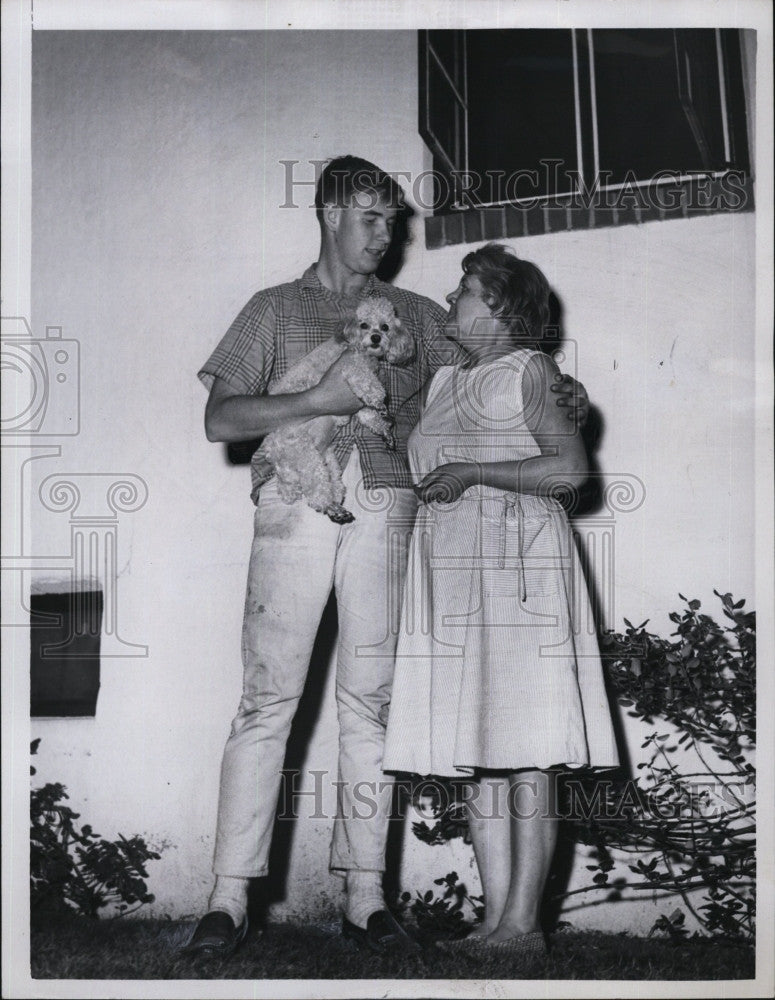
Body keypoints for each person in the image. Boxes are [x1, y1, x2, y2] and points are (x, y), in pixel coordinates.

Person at [188, 159, 586, 959]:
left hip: (389, 505)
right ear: (330, 212)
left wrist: (568, 396)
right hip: (294, 501)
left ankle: (364, 896)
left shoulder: (414, 314)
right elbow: (220, 421)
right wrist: (312, 402)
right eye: (370, 216)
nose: (386, 233)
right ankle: (228, 898)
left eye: (393, 219)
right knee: (269, 700)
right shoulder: (272, 309)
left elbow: (500, 363)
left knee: (370, 703)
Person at [382, 243, 619, 964]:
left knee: (530, 757)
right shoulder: (448, 377)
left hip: (518, 568)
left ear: (501, 309)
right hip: (454, 572)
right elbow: (411, 450)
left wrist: (474, 471)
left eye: (464, 291)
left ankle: (525, 925)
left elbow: (570, 471)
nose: (451, 300)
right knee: (483, 755)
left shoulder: (528, 369)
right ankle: (494, 922)